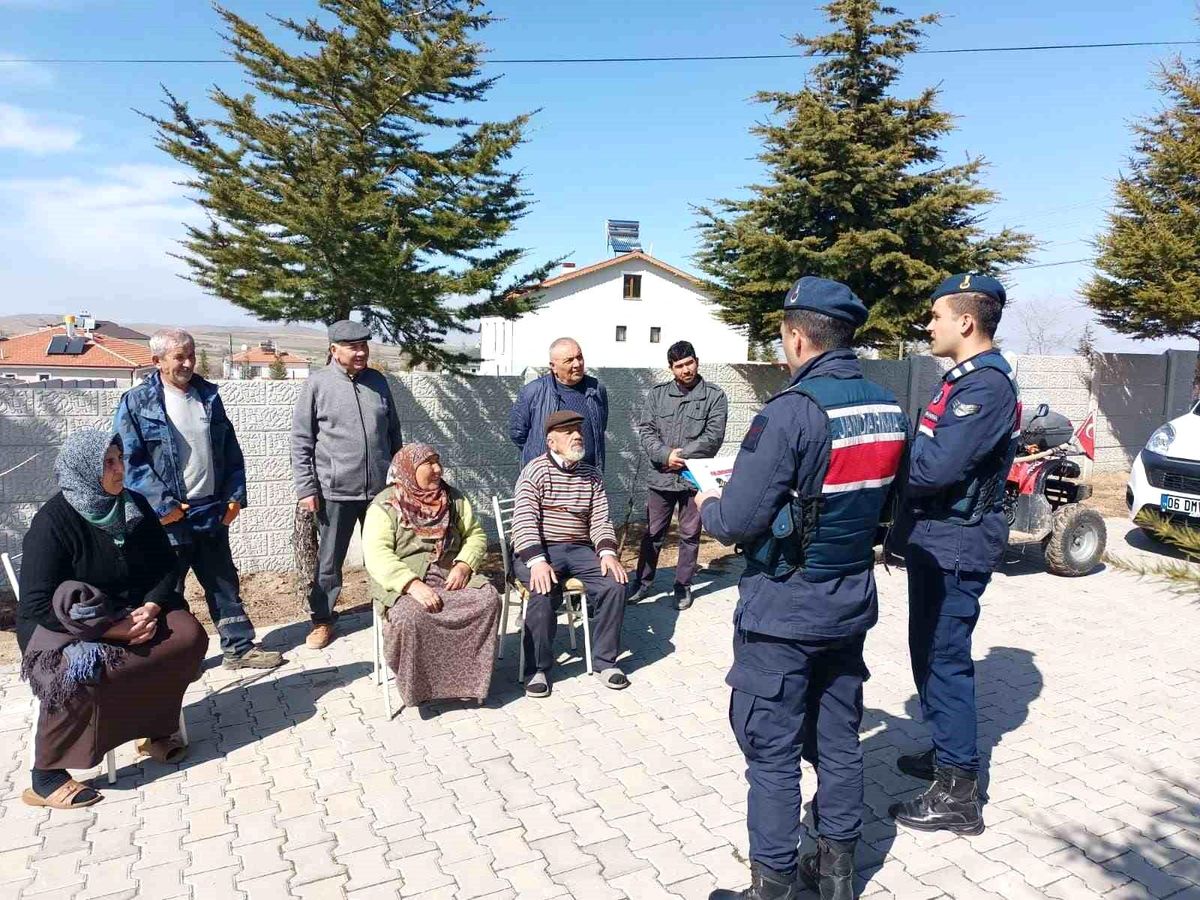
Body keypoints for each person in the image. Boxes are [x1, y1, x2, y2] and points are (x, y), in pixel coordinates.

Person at [701, 278, 908, 900]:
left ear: (796, 335)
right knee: (839, 740)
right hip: (849, 602)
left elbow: (738, 520)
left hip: (784, 612)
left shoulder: (790, 411)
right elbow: (894, 507)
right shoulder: (887, 406)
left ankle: (775, 885)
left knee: (771, 753)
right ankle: (838, 876)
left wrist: (710, 500)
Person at [887, 274, 1021, 837]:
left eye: (936, 316)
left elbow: (933, 468)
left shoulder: (986, 387)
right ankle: (947, 755)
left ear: (966, 321)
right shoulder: (963, 380)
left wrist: (888, 453)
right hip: (936, 538)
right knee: (928, 654)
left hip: (957, 544)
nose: (929, 325)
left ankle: (960, 792)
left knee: (945, 661)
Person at [17, 430, 209, 809]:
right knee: (77, 670)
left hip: (133, 612)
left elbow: (166, 567)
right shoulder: (52, 523)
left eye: (120, 459)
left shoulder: (133, 504)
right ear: (85, 468)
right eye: (108, 462)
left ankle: (155, 728)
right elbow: (37, 603)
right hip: (63, 626)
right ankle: (46, 776)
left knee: (187, 635)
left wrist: (153, 607)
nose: (120, 468)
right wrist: (112, 629)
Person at [114, 328, 282, 670]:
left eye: (191, 355)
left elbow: (230, 451)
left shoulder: (208, 396)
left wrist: (235, 496)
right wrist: (164, 506)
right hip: (166, 519)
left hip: (211, 512)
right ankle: (173, 659)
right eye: (179, 357)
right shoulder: (137, 403)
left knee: (223, 582)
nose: (188, 363)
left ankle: (239, 648)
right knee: (165, 591)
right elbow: (129, 461)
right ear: (157, 361)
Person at [291, 320, 403, 649]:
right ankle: (323, 620)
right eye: (353, 346)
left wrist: (399, 479)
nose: (361, 352)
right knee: (329, 561)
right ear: (334, 350)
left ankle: (390, 610)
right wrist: (307, 489)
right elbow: (301, 441)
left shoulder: (378, 382)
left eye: (364, 345)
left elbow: (393, 433)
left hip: (380, 491)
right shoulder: (318, 384)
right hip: (334, 491)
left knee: (385, 553)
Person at [363, 444, 500, 707]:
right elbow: (377, 554)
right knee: (410, 617)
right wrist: (411, 584)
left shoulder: (454, 498)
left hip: (449, 572)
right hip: (403, 582)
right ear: (408, 470)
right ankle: (419, 689)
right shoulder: (385, 505)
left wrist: (464, 565)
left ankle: (467, 682)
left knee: (487, 600)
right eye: (429, 464)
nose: (438, 469)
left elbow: (475, 535)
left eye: (438, 462)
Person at [510, 410, 629, 697]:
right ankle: (537, 669)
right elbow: (524, 520)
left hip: (578, 548)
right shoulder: (535, 471)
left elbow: (600, 520)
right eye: (568, 432)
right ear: (552, 441)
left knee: (616, 584)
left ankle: (605, 662)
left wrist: (607, 553)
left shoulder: (592, 475)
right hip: (539, 548)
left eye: (579, 430)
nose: (577, 435)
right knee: (543, 588)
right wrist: (537, 561)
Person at [627, 340, 728, 610]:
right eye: (679, 366)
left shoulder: (714, 396)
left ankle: (683, 586)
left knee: (690, 534)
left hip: (694, 479)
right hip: (661, 477)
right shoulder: (657, 395)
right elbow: (646, 430)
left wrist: (679, 458)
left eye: (689, 363)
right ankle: (642, 582)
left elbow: (713, 438)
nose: (686, 370)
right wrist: (664, 455)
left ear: (697, 361)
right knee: (653, 533)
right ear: (671, 368)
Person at [509, 337, 609, 471]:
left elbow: (600, 427)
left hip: (587, 478)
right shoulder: (533, 392)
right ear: (553, 366)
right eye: (569, 360)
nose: (577, 364)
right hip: (546, 477)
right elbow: (517, 434)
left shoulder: (596, 388)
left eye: (579, 357)